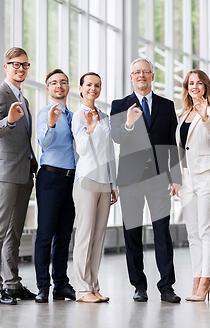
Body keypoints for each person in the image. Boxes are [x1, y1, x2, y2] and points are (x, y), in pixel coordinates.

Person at [110, 58, 182, 303]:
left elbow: (172, 144)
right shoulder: (119, 105)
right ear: (131, 77)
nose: (141, 75)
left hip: (160, 178)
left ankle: (167, 286)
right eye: (136, 72)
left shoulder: (166, 105)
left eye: (145, 72)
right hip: (130, 179)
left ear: (152, 76)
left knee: (162, 232)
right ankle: (139, 286)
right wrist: (129, 123)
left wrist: (176, 177)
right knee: (132, 233)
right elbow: (116, 137)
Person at [0, 47, 38, 305]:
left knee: (14, 233)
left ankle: (12, 284)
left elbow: (25, 140)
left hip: (24, 173)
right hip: (5, 173)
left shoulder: (23, 99)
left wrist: (34, 164)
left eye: (25, 65)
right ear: (6, 66)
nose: (21, 69)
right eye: (16, 64)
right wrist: (9, 120)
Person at [72, 72, 118, 303]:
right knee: (85, 235)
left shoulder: (105, 115)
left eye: (97, 85)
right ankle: (81, 290)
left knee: (98, 236)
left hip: (103, 181)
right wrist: (90, 129)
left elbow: (110, 153)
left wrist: (113, 184)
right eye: (89, 85)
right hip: (87, 180)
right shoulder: (78, 116)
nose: (93, 88)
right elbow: (81, 149)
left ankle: (93, 285)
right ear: (80, 88)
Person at [176, 70, 210, 302]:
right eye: (191, 83)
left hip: (205, 176)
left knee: (206, 230)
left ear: (205, 87)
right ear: (187, 87)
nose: (195, 87)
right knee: (192, 233)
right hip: (186, 180)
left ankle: (206, 280)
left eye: (199, 83)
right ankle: (196, 278)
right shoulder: (182, 113)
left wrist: (205, 117)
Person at [34, 69, 76, 303]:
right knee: (45, 233)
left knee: (64, 235)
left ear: (68, 87)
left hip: (71, 180)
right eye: (53, 83)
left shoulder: (73, 114)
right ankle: (43, 286)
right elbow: (44, 142)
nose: (59, 86)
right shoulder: (45, 112)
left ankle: (61, 284)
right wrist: (50, 123)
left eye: (63, 82)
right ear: (48, 89)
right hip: (50, 178)